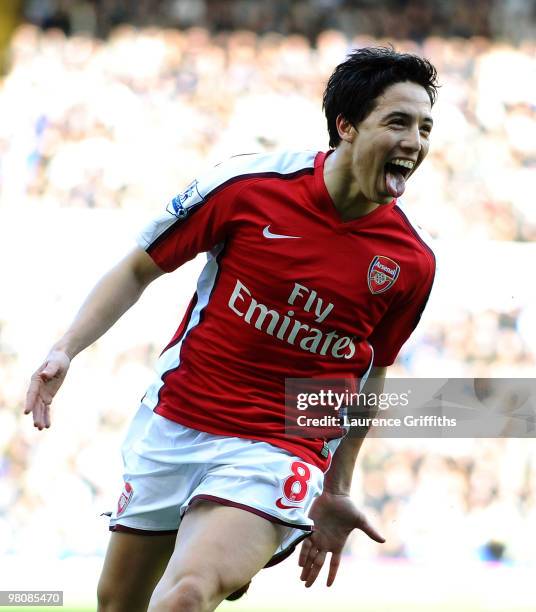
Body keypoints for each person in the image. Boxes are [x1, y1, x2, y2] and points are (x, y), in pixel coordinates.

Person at [24, 46, 438, 611]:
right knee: (119, 604)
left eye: (424, 127)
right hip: (179, 420)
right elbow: (139, 266)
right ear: (346, 126)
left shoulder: (410, 262)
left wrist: (338, 487)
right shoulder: (249, 187)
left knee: (187, 595)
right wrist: (66, 348)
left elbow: (373, 374)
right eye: (398, 122)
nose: (415, 142)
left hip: (282, 442)